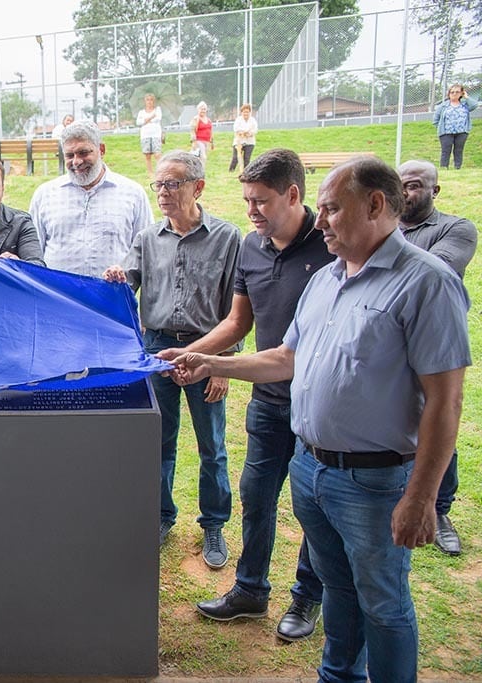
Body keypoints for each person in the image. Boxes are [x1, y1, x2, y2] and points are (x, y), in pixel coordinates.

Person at [171, 156, 470, 683]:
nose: (321, 220)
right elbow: (285, 358)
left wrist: (422, 498)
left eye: (332, 209)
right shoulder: (328, 277)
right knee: (339, 592)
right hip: (312, 470)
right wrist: (211, 363)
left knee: (383, 604)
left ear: (375, 204)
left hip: (375, 481)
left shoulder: (426, 282)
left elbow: (446, 403)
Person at [157, 149, 331, 641]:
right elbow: (238, 321)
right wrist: (190, 351)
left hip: (319, 403)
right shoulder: (252, 247)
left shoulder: (329, 247)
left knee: (312, 506)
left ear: (293, 195)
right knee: (257, 498)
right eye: (247, 201)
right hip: (268, 401)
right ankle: (250, 590)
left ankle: (307, 596)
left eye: (261, 201)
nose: (251, 211)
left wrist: (214, 364)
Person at [103, 150, 239, 569]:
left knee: (211, 445)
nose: (163, 192)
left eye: (172, 183)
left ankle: (213, 523)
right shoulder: (147, 238)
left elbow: (236, 307)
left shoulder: (228, 238)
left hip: (206, 350)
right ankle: (162, 516)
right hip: (157, 349)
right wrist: (117, 277)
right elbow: (127, 284)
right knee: (157, 440)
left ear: (198, 187)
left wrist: (222, 364)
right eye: (159, 184)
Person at [398, 159, 478, 556]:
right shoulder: (386, 228)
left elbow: (434, 272)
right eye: (399, 185)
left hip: (434, 345)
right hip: (391, 342)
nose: (405, 193)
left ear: (435, 190)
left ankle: (439, 508)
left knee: (438, 419)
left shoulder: (455, 228)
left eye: (414, 185)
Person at [29, 120, 154, 277]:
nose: (76, 162)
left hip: (111, 292)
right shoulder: (45, 195)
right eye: (69, 155)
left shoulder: (133, 193)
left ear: (101, 150)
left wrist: (126, 276)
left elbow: (146, 252)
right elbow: (32, 255)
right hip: (55, 292)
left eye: (83, 153)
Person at [432, 83, 478, 170]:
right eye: (452, 92)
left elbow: (475, 105)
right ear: (449, 94)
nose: (454, 94)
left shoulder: (465, 104)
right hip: (446, 133)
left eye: (457, 92)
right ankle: (444, 167)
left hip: (462, 132)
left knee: (458, 151)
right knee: (446, 151)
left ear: (461, 93)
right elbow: (435, 120)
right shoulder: (443, 106)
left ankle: (457, 168)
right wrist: (440, 128)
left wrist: (466, 97)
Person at [137, 93, 163, 174]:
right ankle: (150, 173)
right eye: (147, 100)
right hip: (145, 135)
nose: (149, 102)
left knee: (157, 154)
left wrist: (146, 120)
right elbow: (139, 122)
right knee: (147, 155)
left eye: (151, 100)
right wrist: (151, 117)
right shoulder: (141, 112)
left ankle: (160, 171)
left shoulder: (157, 110)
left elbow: (158, 118)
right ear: (145, 101)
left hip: (155, 134)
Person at [228, 104, 257, 172]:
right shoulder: (238, 120)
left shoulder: (253, 120)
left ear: (250, 112)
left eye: (247, 112)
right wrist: (242, 132)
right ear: (241, 112)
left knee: (246, 159)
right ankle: (231, 170)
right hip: (239, 142)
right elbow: (236, 129)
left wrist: (249, 133)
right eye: (244, 112)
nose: (246, 113)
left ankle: (246, 172)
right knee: (235, 158)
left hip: (249, 142)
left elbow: (254, 130)